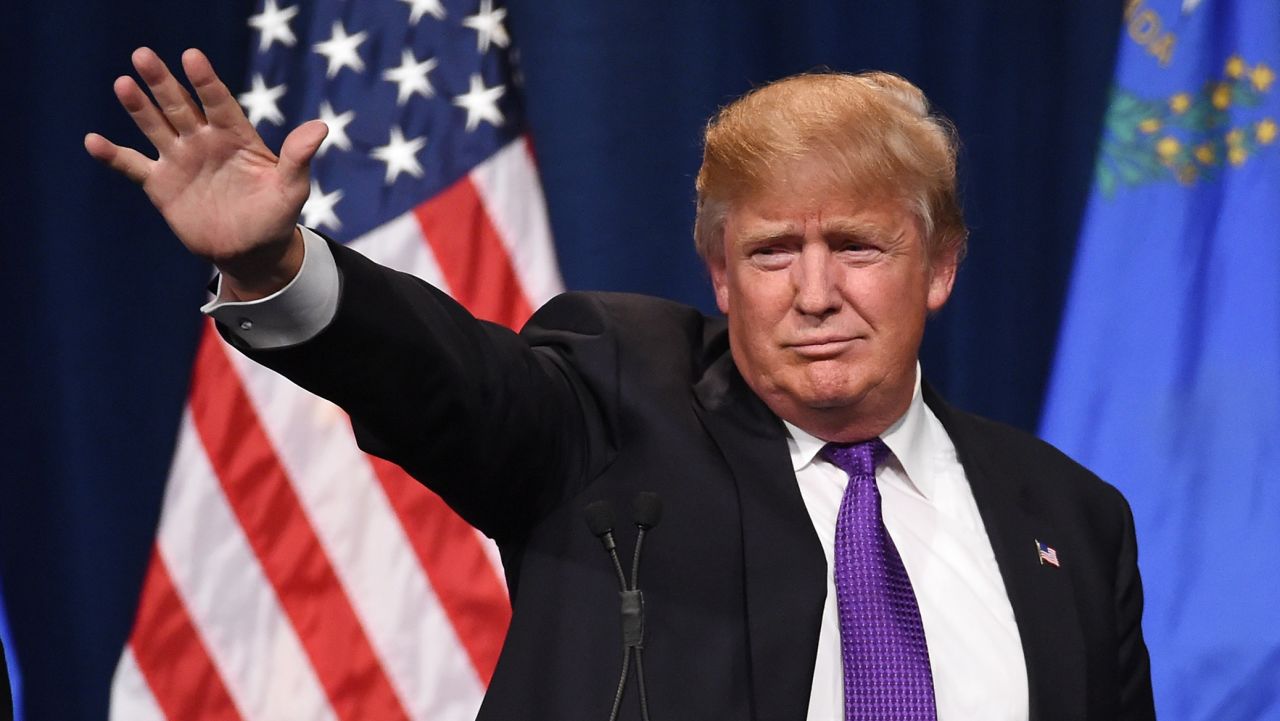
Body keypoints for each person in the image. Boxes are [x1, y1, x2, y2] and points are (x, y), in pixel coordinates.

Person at [86, 48, 1156, 721]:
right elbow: (440, 376)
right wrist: (278, 266)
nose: (815, 292)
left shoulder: (1066, 516)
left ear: (939, 266)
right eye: (775, 250)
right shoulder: (617, 404)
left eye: (859, 246)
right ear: (718, 273)